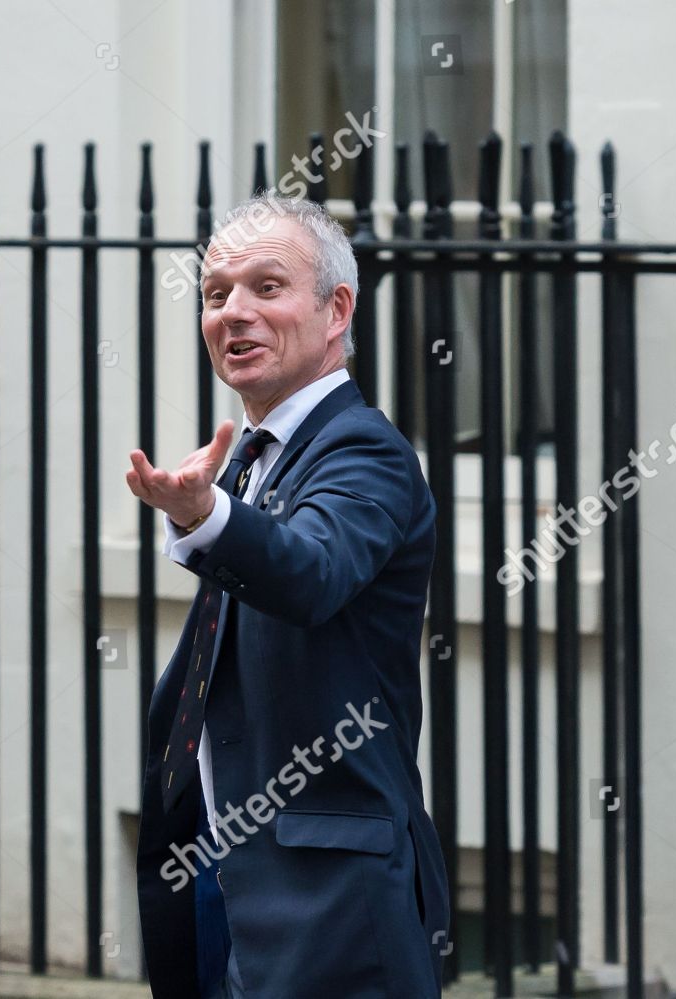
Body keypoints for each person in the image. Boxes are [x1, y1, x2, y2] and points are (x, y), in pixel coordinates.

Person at [125, 195, 450, 998]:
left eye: (267, 287)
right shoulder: (252, 457)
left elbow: (311, 571)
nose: (234, 312)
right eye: (215, 293)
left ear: (336, 309)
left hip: (326, 901)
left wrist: (206, 516)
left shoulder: (366, 449)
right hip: (219, 875)